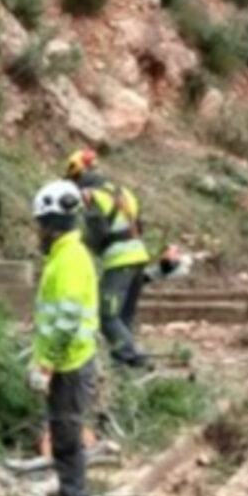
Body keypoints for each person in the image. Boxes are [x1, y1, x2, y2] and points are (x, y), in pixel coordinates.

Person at [29, 178, 101, 496]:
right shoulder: (66, 256)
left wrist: (46, 363)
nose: (39, 233)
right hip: (66, 361)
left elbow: (67, 319)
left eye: (41, 226)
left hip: (69, 363)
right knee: (61, 431)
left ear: (52, 225)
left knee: (67, 435)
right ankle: (70, 495)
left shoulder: (69, 259)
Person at [66, 146, 154, 369]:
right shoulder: (124, 192)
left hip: (119, 261)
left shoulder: (92, 197)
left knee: (105, 314)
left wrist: (78, 244)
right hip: (139, 257)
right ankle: (123, 367)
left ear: (79, 176)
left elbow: (99, 233)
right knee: (122, 317)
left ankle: (133, 356)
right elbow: (138, 226)